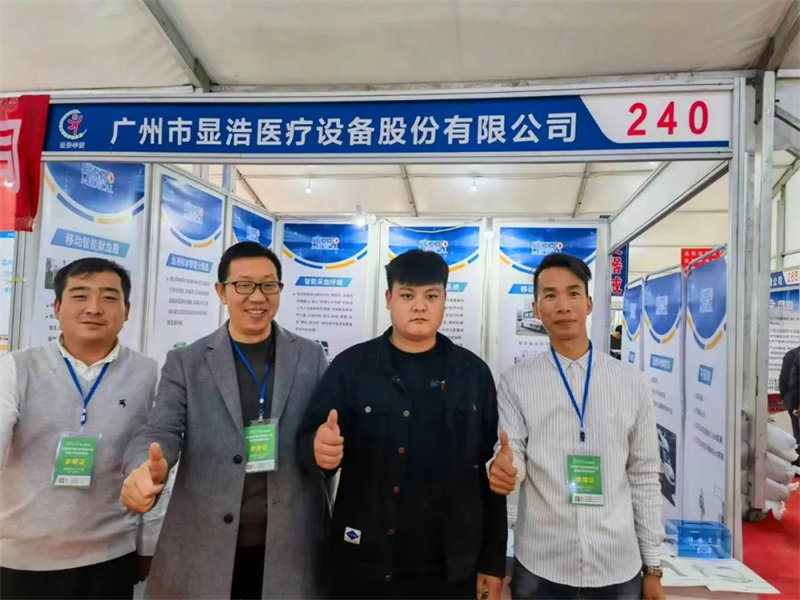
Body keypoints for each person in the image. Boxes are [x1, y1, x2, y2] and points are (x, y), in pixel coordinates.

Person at [120, 241, 329, 599]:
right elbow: (161, 429)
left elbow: (317, 431)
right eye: (243, 285)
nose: (257, 296)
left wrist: (326, 447)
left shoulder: (310, 355)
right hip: (206, 543)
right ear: (221, 291)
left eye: (268, 285)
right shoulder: (187, 362)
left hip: (291, 543)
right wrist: (144, 467)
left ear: (279, 289)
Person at [297, 249, 507, 600]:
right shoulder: (352, 367)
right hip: (366, 562)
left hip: (452, 567)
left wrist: (493, 561)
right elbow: (308, 441)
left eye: (431, 296)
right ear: (389, 299)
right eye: (408, 295)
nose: (420, 306)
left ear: (445, 300)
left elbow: (491, 474)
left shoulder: (473, 374)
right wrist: (318, 450)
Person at [488, 253, 665, 600]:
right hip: (541, 565)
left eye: (572, 293)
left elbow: (644, 474)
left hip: (617, 565)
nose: (563, 306)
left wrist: (653, 567)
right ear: (537, 309)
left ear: (588, 304)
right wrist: (504, 468)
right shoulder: (516, 382)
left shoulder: (632, 382)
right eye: (550, 295)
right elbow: (512, 449)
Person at [0, 257, 162, 599]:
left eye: (109, 297)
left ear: (127, 310)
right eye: (80, 295)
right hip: (22, 556)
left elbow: (156, 464)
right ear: (57, 307)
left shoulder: (148, 374)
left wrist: (148, 542)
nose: (94, 308)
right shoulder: (16, 368)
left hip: (110, 554)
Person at [778, 344, 800, 466]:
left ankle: (798, 461)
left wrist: (783, 396)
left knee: (797, 430)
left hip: (794, 400)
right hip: (794, 399)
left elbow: (784, 378)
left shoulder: (791, 355)